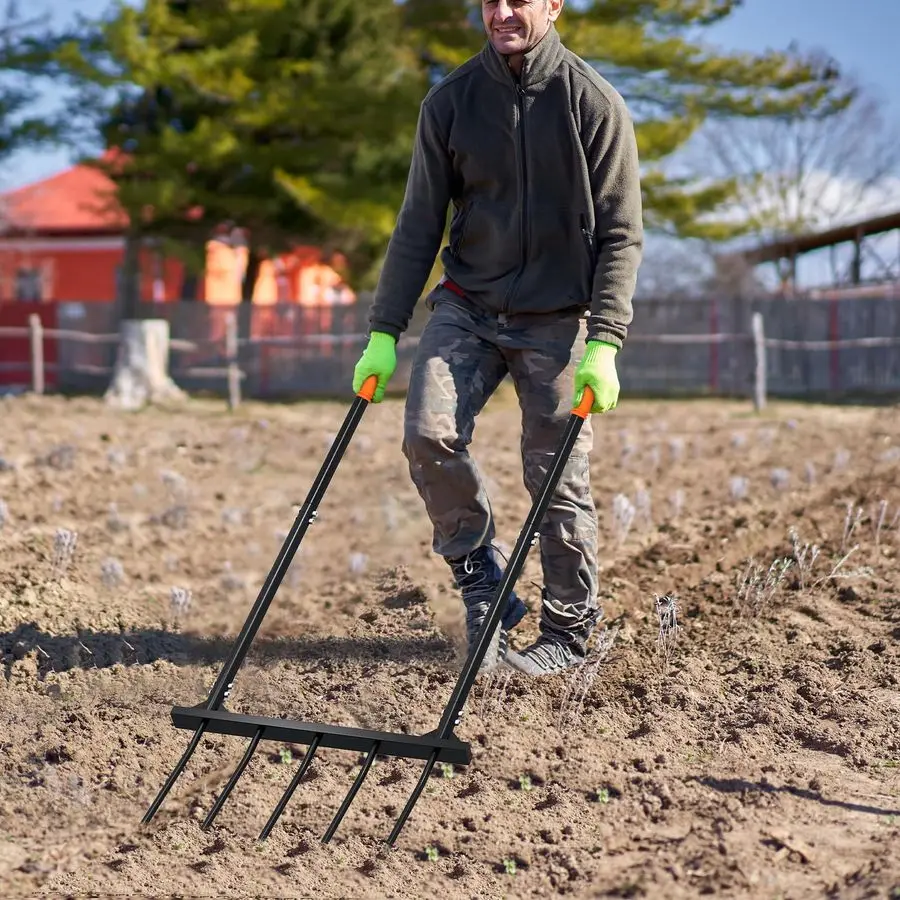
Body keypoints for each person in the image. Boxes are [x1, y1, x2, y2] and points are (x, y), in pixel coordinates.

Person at [352, 0, 643, 676]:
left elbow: (621, 232)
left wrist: (606, 339)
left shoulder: (592, 103)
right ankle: (483, 577)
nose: (503, 12)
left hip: (558, 316)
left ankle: (570, 633)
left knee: (556, 477)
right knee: (427, 432)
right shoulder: (451, 102)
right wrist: (384, 331)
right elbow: (418, 223)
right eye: (490, 1)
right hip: (469, 304)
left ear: (553, 6)